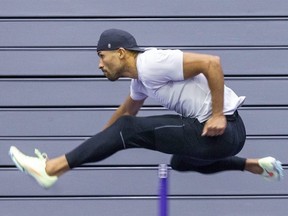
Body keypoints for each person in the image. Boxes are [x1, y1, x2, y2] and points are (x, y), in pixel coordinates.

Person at [9, 28, 283, 189]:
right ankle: (252, 165)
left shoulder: (152, 63)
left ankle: (51, 168)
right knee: (179, 161)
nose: (99, 65)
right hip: (224, 142)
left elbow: (212, 63)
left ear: (121, 52)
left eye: (102, 57)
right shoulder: (140, 83)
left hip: (223, 128)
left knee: (128, 130)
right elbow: (124, 117)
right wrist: (90, 148)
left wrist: (217, 115)